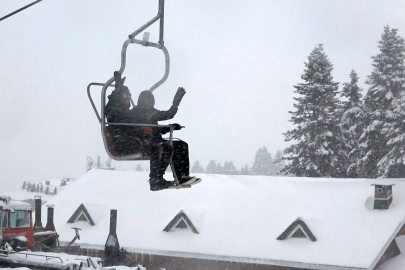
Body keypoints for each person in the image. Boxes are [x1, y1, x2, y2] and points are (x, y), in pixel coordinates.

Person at [132, 88, 200, 191]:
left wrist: (176, 103)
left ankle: (182, 176)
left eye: (151, 100)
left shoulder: (152, 112)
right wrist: (143, 129)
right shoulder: (135, 113)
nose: (149, 103)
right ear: (141, 100)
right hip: (143, 141)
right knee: (165, 147)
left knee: (181, 145)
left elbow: (169, 114)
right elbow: (132, 127)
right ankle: (156, 179)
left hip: (156, 140)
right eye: (146, 100)